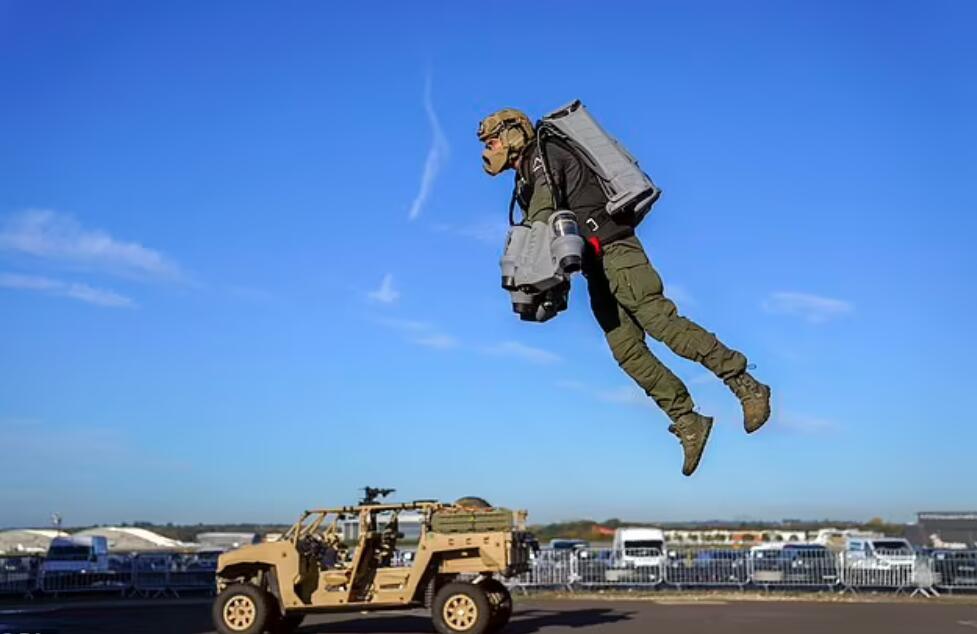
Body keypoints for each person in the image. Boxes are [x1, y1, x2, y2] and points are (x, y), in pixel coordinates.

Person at [478, 108, 771, 476]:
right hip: (594, 268)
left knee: (661, 323)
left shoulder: (545, 153)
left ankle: (745, 383)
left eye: (491, 141)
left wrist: (525, 275)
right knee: (627, 350)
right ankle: (687, 420)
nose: (487, 151)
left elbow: (543, 218)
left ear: (512, 134)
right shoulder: (523, 178)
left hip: (616, 250)